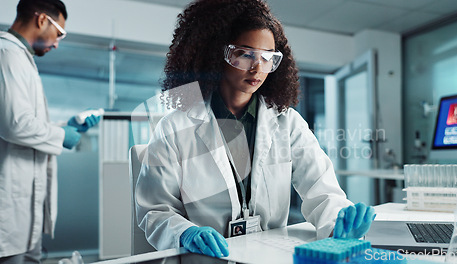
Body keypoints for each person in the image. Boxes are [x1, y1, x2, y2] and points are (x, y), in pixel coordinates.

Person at [135, 0, 375, 258]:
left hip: (269, 255)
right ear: (217, 53)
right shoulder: (175, 127)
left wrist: (339, 223)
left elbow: (322, 191)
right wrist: (185, 232)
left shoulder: (288, 123)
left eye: (267, 57)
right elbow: (155, 211)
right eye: (245, 54)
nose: (258, 68)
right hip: (208, 257)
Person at [0, 0, 100, 263]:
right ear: (42, 20)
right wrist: (61, 136)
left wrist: (65, 127)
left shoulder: (22, 59)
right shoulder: (6, 54)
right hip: (8, 212)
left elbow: (22, 122)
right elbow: (14, 126)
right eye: (59, 33)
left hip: (23, 215)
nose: (57, 43)